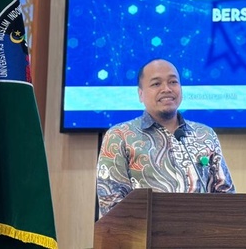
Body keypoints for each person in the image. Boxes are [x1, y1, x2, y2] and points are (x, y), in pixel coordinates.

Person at [96, 59, 235, 216]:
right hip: (143, 230)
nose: (167, 89)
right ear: (140, 94)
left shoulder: (205, 135)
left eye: (173, 82)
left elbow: (227, 196)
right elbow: (111, 204)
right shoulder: (120, 136)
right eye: (156, 84)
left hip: (202, 230)